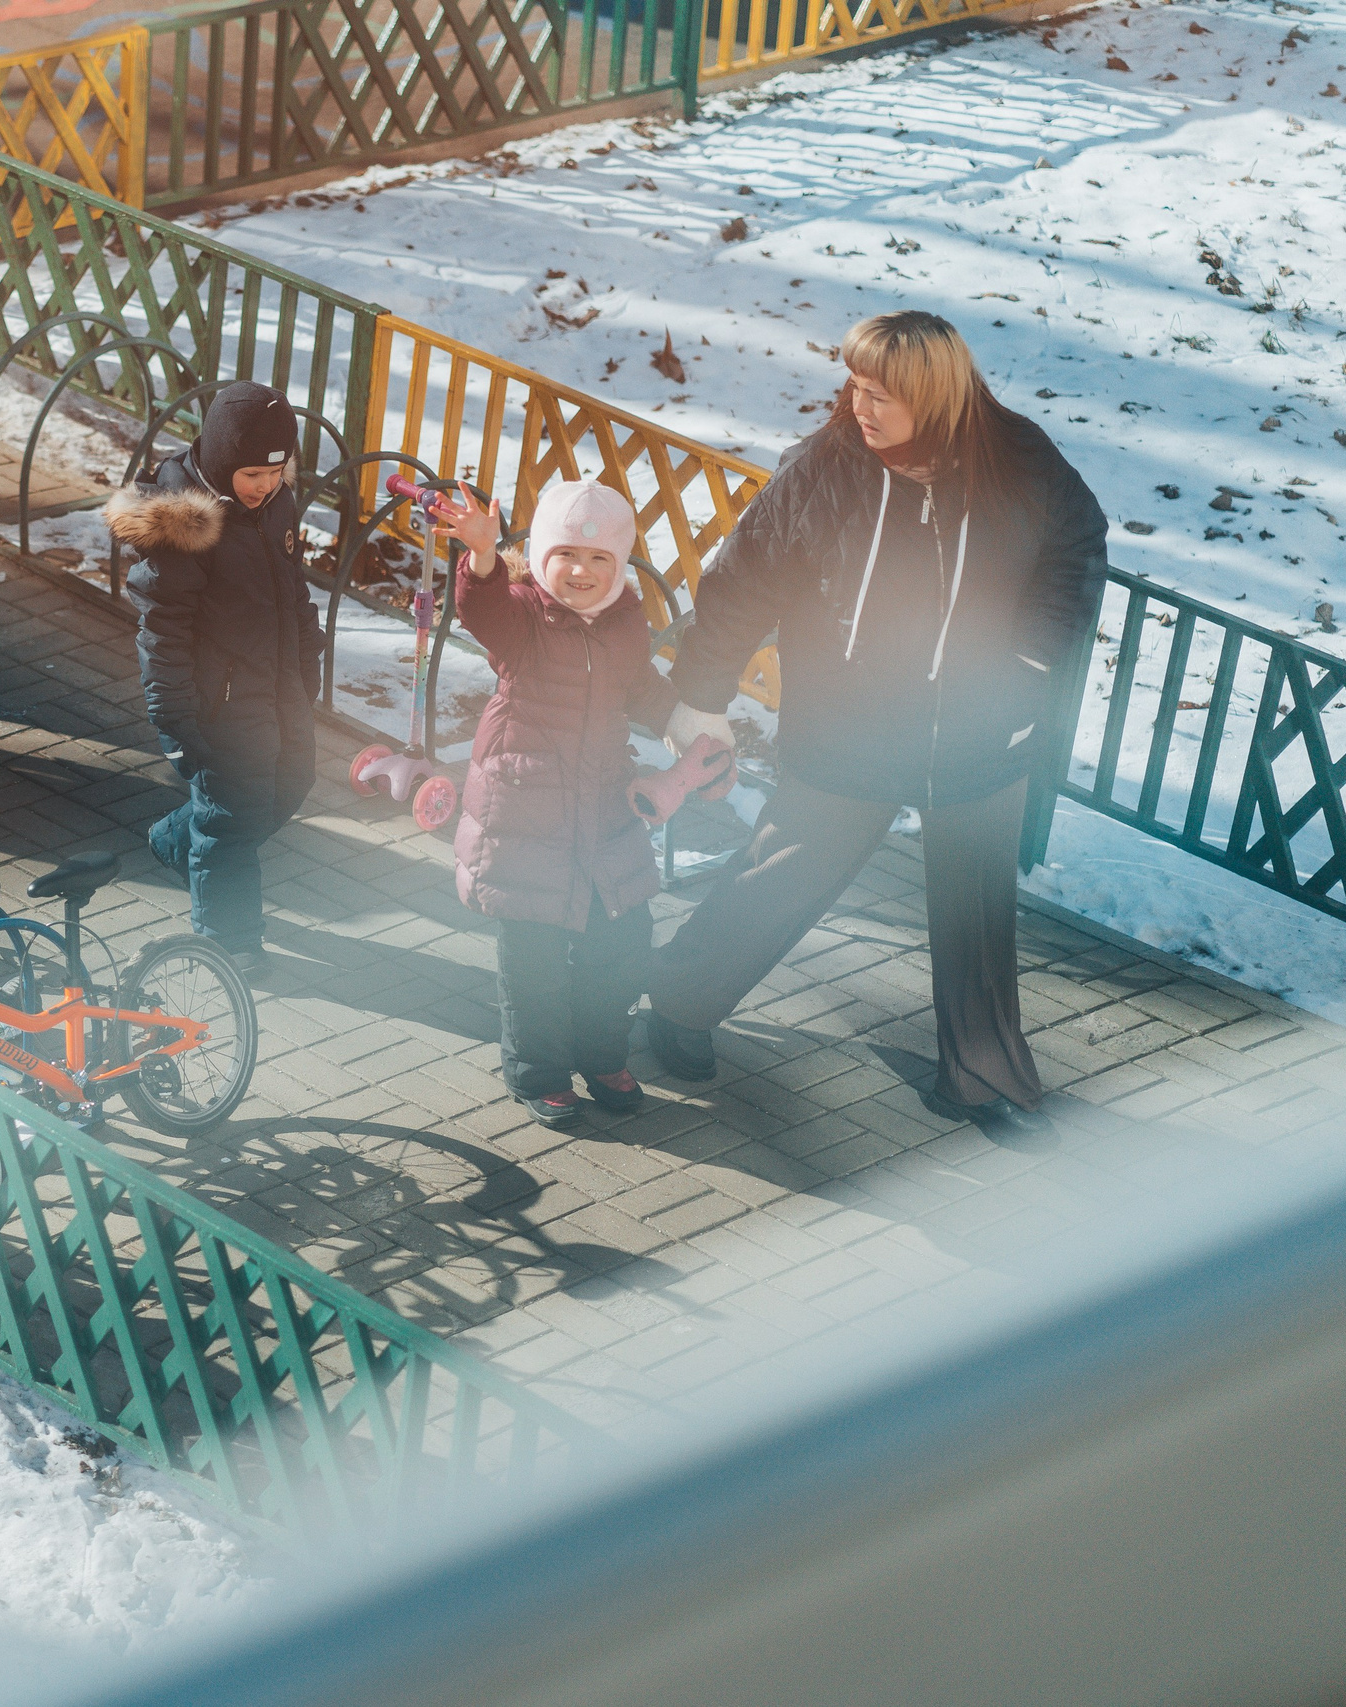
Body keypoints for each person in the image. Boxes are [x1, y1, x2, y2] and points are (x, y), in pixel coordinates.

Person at [649, 310, 1107, 1138]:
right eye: (856, 385)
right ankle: (679, 1001)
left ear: (934, 397)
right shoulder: (827, 469)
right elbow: (742, 577)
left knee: (976, 910)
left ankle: (980, 1073)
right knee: (782, 871)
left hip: (979, 731)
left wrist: (1028, 668)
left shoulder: (1021, 462)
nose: (860, 406)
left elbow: (1075, 552)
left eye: (882, 394)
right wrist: (704, 688)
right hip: (851, 724)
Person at [436, 477, 681, 1124]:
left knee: (623, 937)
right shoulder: (522, 617)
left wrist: (688, 726)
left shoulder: (626, 622)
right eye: (567, 554)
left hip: (603, 806)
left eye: (600, 559)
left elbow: (644, 689)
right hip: (528, 812)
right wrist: (484, 558)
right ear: (542, 556)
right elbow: (480, 610)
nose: (581, 571)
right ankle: (539, 1070)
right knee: (535, 952)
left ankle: (600, 1051)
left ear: (620, 565)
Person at [106, 381, 320, 977]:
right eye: (252, 474)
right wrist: (174, 715)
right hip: (218, 701)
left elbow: (292, 590)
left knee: (292, 784)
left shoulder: (275, 506)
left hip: (278, 683)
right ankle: (230, 941)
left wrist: (309, 660)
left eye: (276, 473)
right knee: (230, 819)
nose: (266, 486)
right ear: (224, 462)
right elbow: (163, 631)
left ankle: (178, 840)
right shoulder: (186, 528)